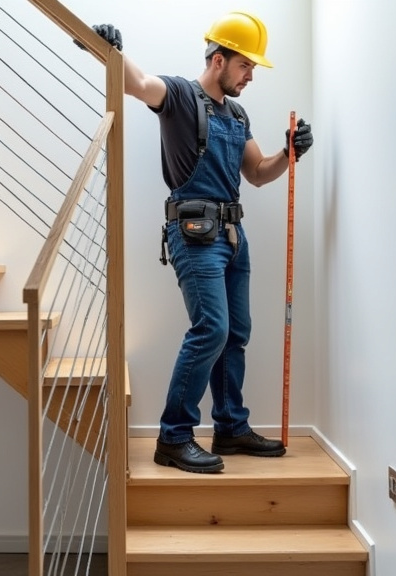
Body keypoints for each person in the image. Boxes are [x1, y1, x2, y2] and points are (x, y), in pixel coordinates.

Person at [84, 13, 313, 473]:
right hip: (195, 233)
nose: (251, 77)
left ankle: (229, 427)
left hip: (233, 236)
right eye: (246, 66)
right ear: (218, 59)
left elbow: (258, 174)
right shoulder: (180, 96)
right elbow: (138, 83)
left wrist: (289, 153)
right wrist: (110, 50)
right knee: (212, 328)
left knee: (236, 334)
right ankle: (173, 437)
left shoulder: (237, 114)